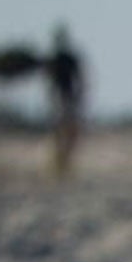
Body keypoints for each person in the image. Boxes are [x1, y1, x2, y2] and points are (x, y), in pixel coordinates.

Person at [44, 24, 85, 177]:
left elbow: (80, 78)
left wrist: (79, 95)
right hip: (60, 98)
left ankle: (64, 160)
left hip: (68, 98)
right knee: (60, 131)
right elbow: (49, 80)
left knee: (70, 131)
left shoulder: (68, 58)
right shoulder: (54, 58)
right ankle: (59, 160)